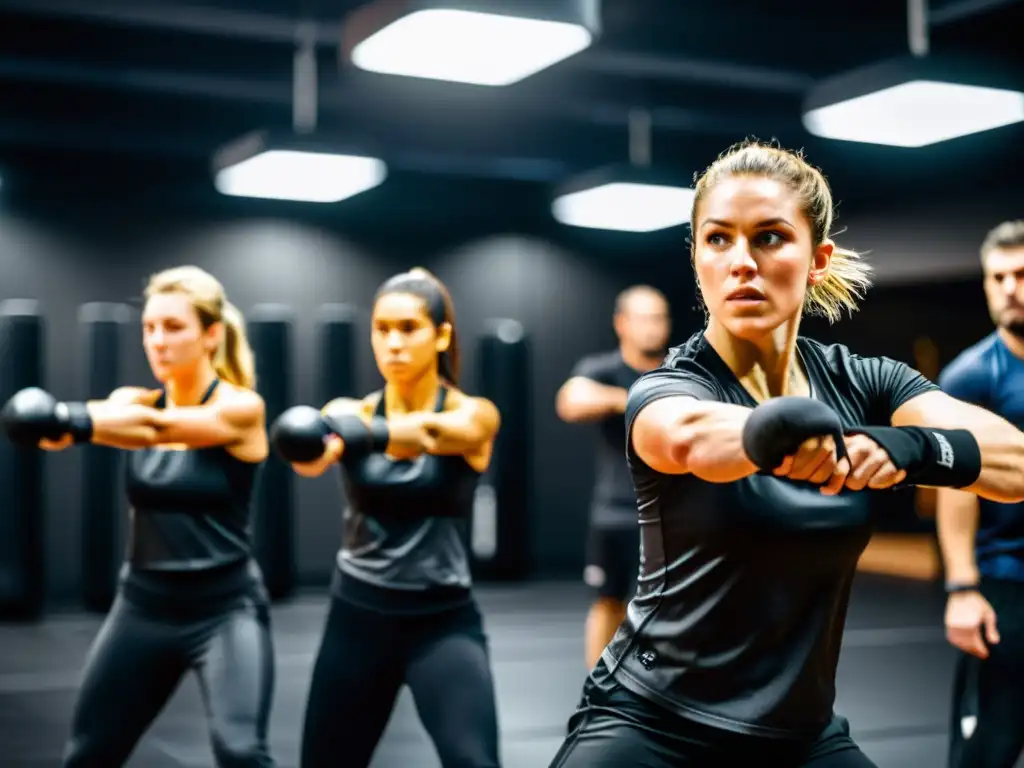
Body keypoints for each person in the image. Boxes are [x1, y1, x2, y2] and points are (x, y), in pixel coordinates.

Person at [545, 139, 1024, 767]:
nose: (741, 260)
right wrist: (774, 435)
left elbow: (1013, 459)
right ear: (696, 260)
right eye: (718, 240)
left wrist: (908, 447)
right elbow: (688, 435)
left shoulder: (864, 382)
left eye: (770, 237)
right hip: (653, 723)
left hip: (801, 738)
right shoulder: (671, 385)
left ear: (817, 259)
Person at [0, 266, 276, 768]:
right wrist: (54, 428)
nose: (158, 341)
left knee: (242, 752)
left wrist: (70, 418)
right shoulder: (130, 402)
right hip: (143, 607)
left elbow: (155, 428)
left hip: (225, 609)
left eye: (173, 327)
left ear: (211, 334)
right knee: (88, 755)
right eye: (150, 328)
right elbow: (119, 422)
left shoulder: (241, 410)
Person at [269, 267, 503, 768]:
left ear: (441, 336)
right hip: (357, 617)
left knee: (475, 762)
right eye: (382, 329)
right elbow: (311, 461)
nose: (393, 343)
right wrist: (313, 441)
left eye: (408, 328)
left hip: (441, 621)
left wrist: (362, 433)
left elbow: (442, 434)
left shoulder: (473, 414)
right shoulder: (348, 410)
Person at [936, 220, 1024, 768]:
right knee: (986, 750)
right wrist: (963, 587)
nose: (1011, 287)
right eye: (998, 277)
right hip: (1005, 584)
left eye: (1022, 274)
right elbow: (956, 492)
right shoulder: (970, 377)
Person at [556, 285, 671, 668]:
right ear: (622, 324)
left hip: (672, 511)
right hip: (617, 511)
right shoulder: (602, 368)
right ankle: (597, 687)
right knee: (608, 602)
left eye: (661, 318)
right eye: (645, 318)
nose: (655, 327)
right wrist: (637, 401)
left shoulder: (679, 368)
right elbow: (570, 401)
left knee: (670, 607)